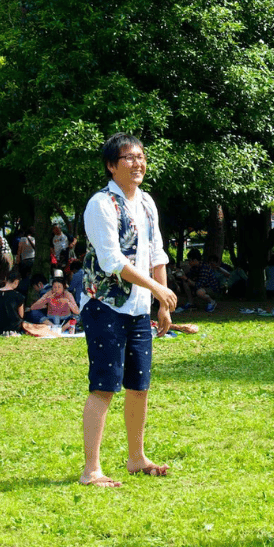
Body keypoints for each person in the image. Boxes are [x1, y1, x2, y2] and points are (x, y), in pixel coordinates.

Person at [79, 132, 177, 488]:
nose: (138, 163)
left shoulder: (147, 202)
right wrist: (157, 289)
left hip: (138, 310)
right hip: (106, 306)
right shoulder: (101, 204)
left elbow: (157, 253)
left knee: (139, 386)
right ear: (111, 165)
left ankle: (137, 458)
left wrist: (162, 304)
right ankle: (91, 470)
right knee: (104, 387)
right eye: (129, 158)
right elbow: (112, 261)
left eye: (141, 156)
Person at [0, 267, 25, 335]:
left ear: (6, 279)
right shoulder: (18, 296)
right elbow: (21, 316)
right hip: (13, 329)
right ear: (16, 282)